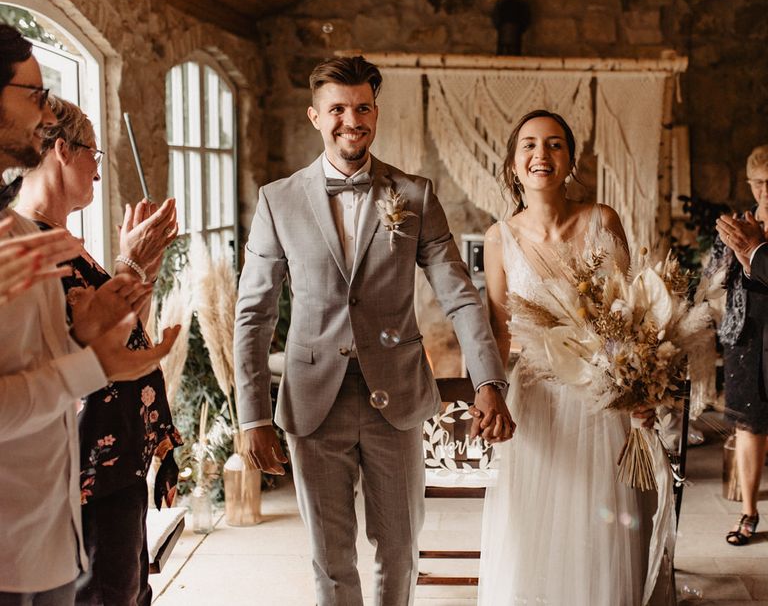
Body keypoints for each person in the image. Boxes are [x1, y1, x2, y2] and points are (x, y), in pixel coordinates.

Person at [234, 55, 513, 606]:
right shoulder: (278, 200)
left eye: (362, 107)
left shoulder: (414, 195)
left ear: (376, 113)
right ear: (315, 116)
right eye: (337, 109)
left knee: (400, 547)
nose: (350, 120)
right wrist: (252, 416)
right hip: (314, 402)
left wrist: (488, 381)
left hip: (399, 397)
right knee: (330, 556)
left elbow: (459, 293)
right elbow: (254, 313)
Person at [0, 22, 180, 606]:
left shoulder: (30, 237)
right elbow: (60, 367)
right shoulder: (24, 242)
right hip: (59, 484)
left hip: (63, 496)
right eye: (33, 95)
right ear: (62, 151)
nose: (43, 110)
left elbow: (78, 339)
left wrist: (126, 281)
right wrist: (127, 272)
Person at [478, 109, 672, 605]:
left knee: (599, 520)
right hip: (536, 401)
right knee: (537, 524)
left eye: (554, 144)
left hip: (600, 402)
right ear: (513, 163)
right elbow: (498, 332)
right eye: (529, 145)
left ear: (570, 160)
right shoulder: (499, 238)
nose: (541, 154)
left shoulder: (601, 220)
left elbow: (633, 316)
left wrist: (638, 389)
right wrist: (489, 395)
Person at [712, 144, 768, 546]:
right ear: (750, 184)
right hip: (745, 336)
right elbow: (711, 280)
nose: (766, 190)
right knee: (749, 428)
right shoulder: (737, 224)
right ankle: (748, 512)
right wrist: (736, 250)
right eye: (760, 182)